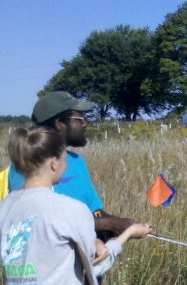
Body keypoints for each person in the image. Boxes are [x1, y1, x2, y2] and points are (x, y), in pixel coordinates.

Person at [0, 127, 151, 285]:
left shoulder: (5, 209)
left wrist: (92, 239)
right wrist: (126, 235)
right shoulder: (71, 209)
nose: (68, 163)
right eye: (64, 157)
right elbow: (96, 268)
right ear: (54, 162)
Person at [8, 92, 136, 238]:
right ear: (59, 124)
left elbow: (95, 212)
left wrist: (122, 224)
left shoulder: (76, 161)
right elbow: (41, 220)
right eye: (80, 119)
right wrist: (108, 225)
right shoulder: (26, 165)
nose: (85, 124)